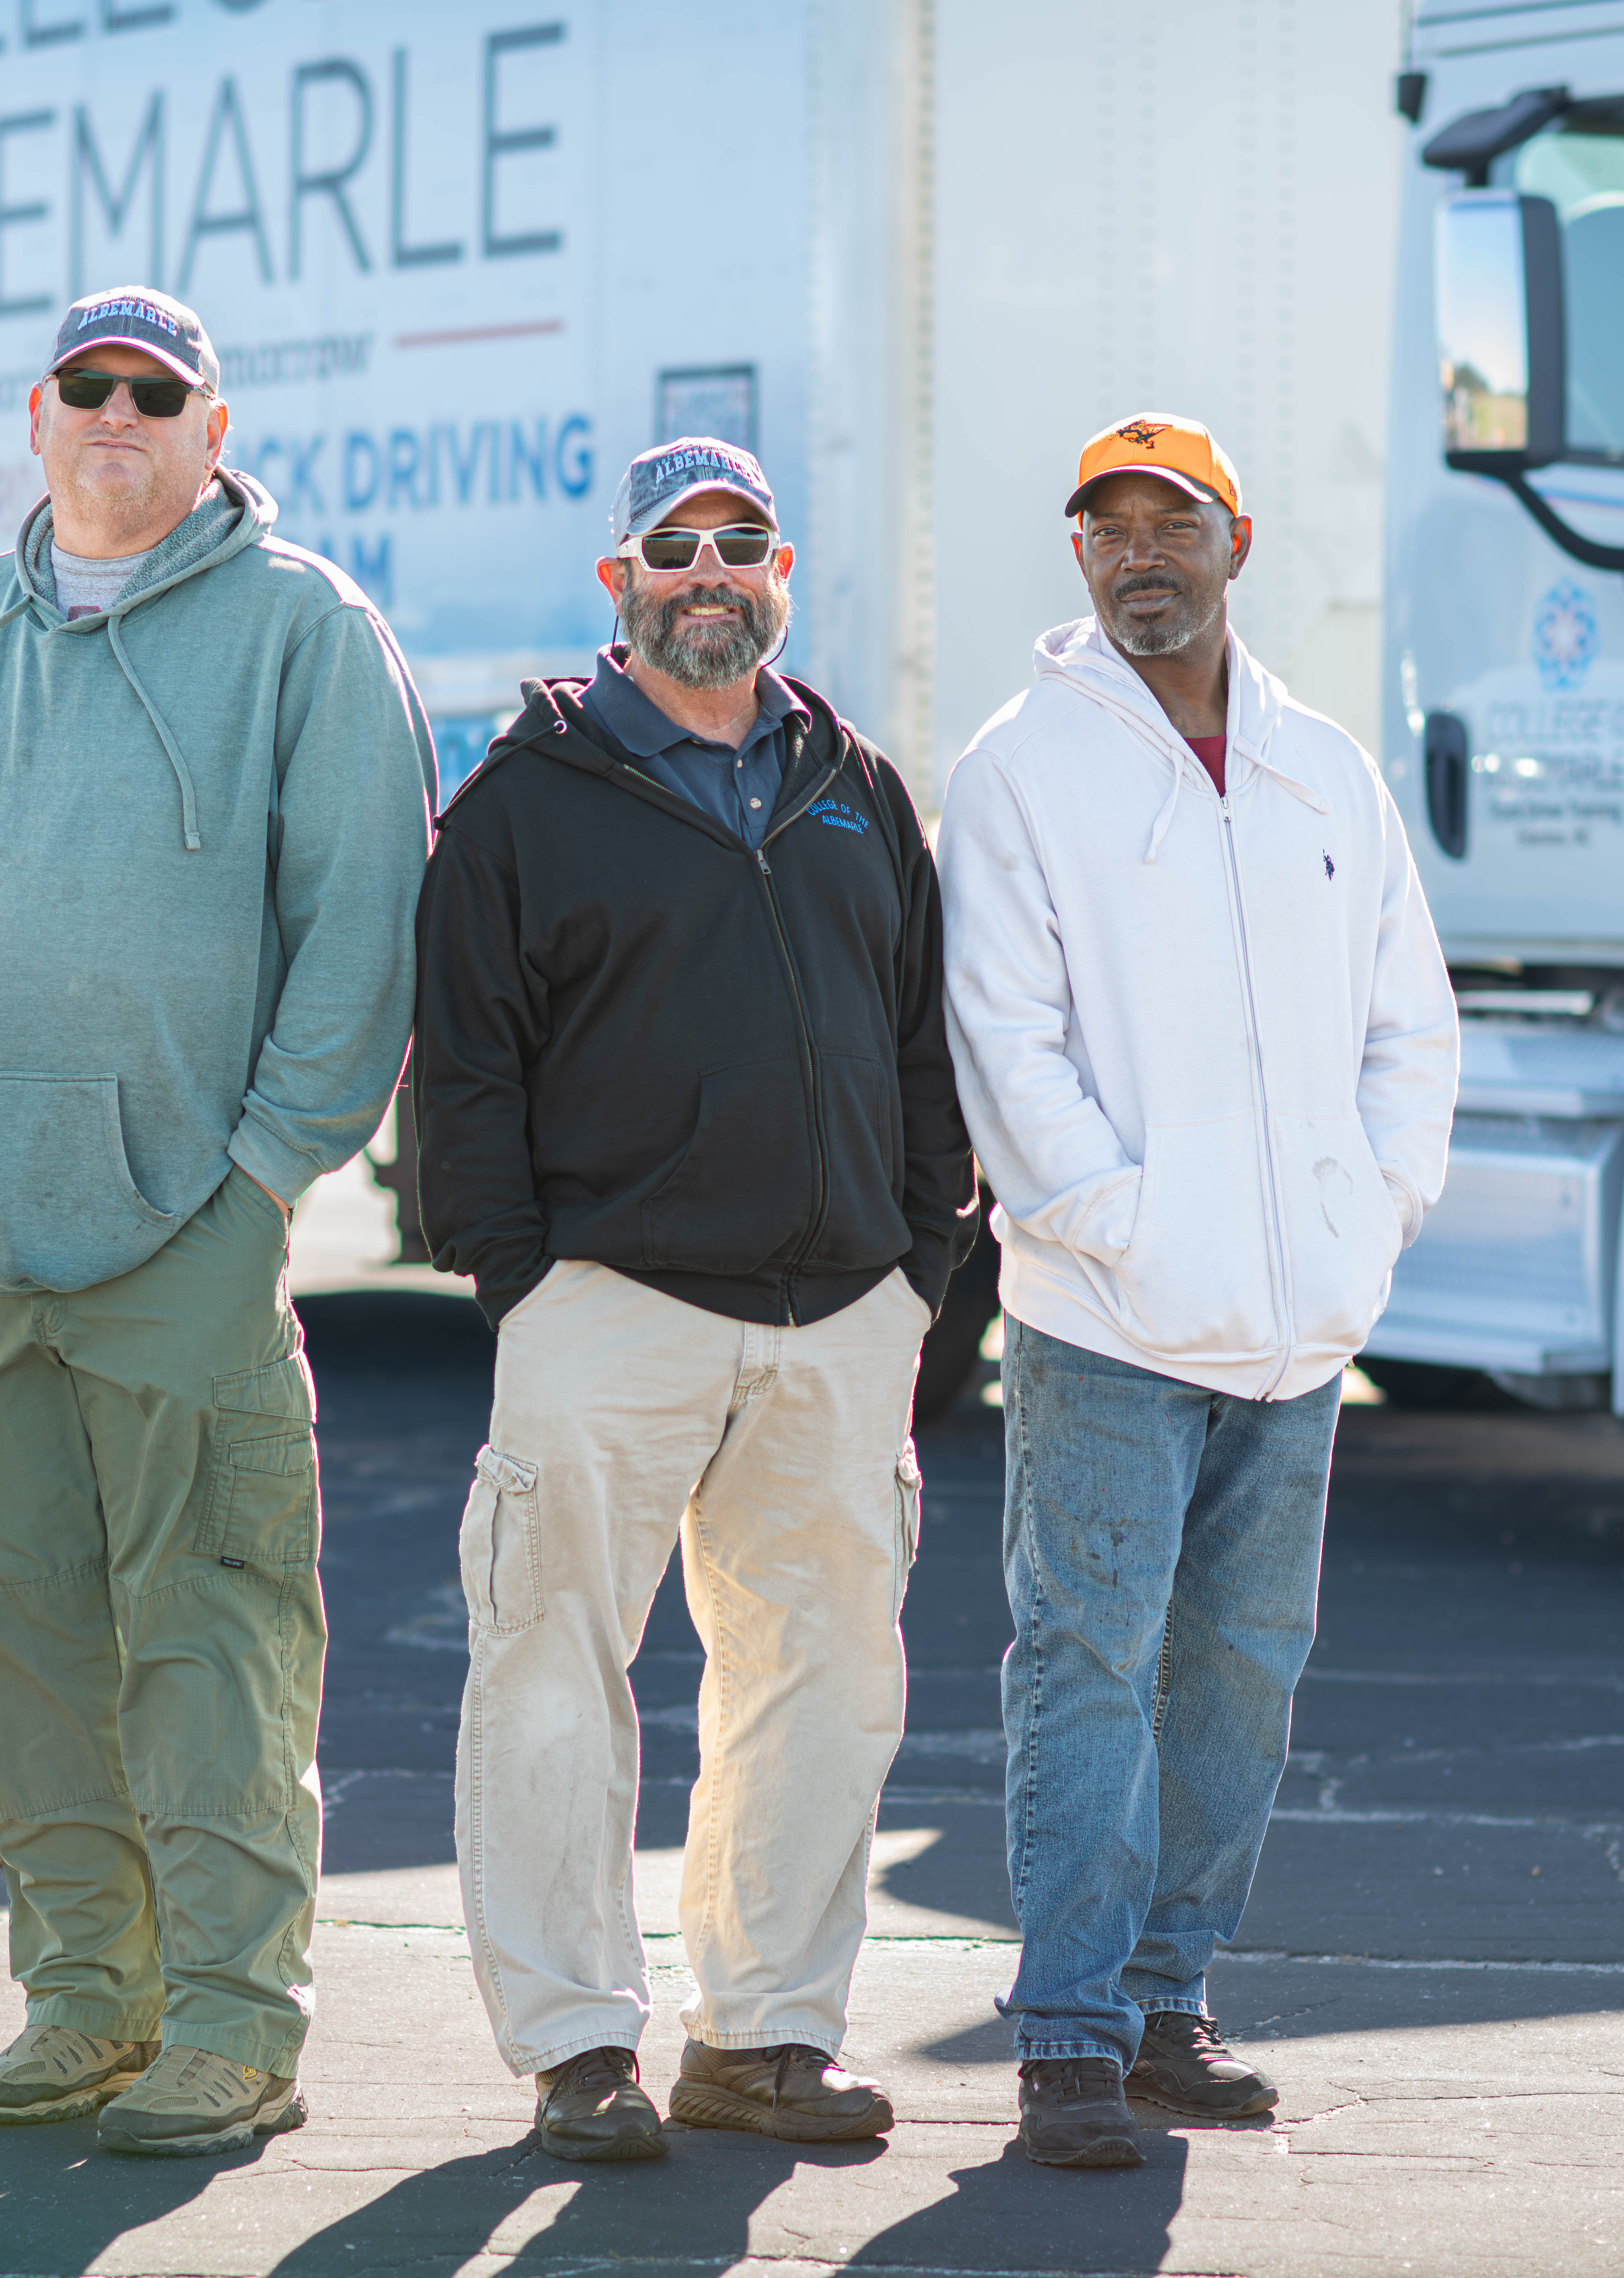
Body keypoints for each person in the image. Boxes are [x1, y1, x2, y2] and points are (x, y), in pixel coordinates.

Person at [0, 286, 432, 2159]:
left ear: (211, 430)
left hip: (189, 1232)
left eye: (152, 393)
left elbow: (363, 927)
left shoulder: (302, 633)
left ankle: (237, 2022)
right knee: (14, 1644)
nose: (115, 415)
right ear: (34, 413)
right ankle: (88, 1996)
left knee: (213, 1637)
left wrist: (264, 1182)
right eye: (84, 387)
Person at [413, 437, 976, 2162]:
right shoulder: (527, 796)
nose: (711, 573)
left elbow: (918, 1033)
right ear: (620, 583)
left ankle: (767, 2039)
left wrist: (921, 1257)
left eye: (742, 545)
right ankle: (581, 2045)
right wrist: (528, 1281)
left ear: (782, 568)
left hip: (838, 1315)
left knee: (819, 1678)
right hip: (610, 1305)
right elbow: (465, 1068)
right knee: (555, 1669)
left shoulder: (850, 779)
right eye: (678, 548)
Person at [936, 415, 1457, 2168]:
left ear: (1241, 538)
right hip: (1110, 1317)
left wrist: (1369, 1213)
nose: (1143, 554)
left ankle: (1171, 1998)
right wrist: (1118, 1221)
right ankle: (1070, 2034)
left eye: (1176, 523)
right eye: (1110, 528)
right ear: (1076, 555)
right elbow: (1002, 1039)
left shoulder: (1324, 767)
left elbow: (1410, 1021)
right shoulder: (1022, 766)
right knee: (1086, 1661)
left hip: (1301, 1319)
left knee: (1243, 1665)